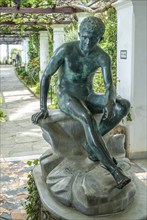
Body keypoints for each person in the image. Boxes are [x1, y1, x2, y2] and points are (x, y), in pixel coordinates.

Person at [32, 16, 131, 189]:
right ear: (79, 34)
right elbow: (46, 75)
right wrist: (43, 107)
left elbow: (109, 85)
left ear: (100, 39)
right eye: (84, 37)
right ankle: (114, 171)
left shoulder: (102, 56)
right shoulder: (65, 50)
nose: (87, 41)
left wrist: (109, 101)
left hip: (88, 95)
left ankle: (92, 144)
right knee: (87, 117)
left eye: (92, 38)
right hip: (67, 96)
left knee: (122, 106)